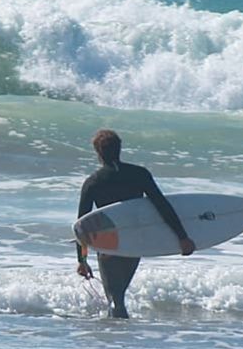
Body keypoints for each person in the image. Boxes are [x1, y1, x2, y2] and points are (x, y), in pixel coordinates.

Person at [75, 128, 194, 318]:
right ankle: (122, 337)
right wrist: (182, 237)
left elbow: (82, 227)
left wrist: (82, 260)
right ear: (120, 149)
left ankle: (118, 340)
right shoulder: (139, 174)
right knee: (119, 293)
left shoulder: (93, 182)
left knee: (115, 297)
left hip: (109, 244)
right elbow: (162, 206)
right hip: (135, 242)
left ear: (97, 153)